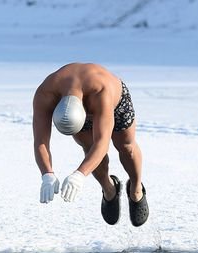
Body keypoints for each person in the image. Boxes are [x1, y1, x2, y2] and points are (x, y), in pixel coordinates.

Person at [32, 63, 149, 227]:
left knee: (125, 146)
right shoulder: (45, 94)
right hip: (82, 105)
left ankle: (136, 190)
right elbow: (40, 142)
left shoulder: (101, 92)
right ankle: (109, 190)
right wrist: (47, 174)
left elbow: (102, 143)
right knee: (89, 148)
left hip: (113, 99)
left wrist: (79, 175)